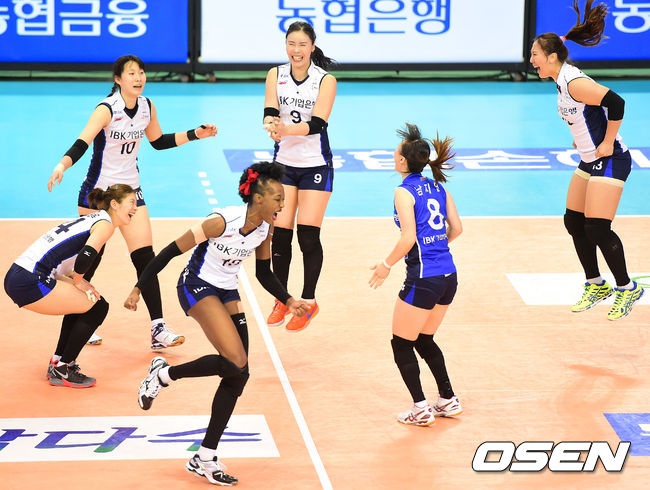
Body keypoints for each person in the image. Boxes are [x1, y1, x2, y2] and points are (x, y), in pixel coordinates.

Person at [123, 162, 308, 485]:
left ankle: (204, 456)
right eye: (278, 198)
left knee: (239, 374)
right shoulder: (221, 222)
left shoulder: (265, 229)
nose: (283, 204)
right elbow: (169, 251)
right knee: (235, 360)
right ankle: (163, 375)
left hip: (226, 290)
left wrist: (289, 300)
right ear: (259, 198)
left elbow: (264, 273)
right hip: (195, 285)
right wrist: (139, 287)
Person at [46, 54, 218, 347]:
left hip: (130, 192)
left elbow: (158, 141)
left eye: (141, 72)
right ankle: (79, 319)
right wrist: (62, 165)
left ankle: (158, 328)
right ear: (118, 79)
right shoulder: (106, 109)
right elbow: (82, 142)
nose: (138, 78)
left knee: (145, 258)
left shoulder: (147, 106)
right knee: (89, 262)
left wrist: (195, 134)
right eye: (131, 73)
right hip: (98, 194)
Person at [530, 0, 644, 320]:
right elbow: (584, 115)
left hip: (611, 158)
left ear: (552, 57)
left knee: (597, 227)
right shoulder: (561, 82)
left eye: (535, 55)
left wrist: (606, 141)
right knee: (573, 221)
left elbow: (616, 103)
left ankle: (627, 287)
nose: (531, 60)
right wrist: (581, 137)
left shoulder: (574, 82)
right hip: (588, 158)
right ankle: (595, 284)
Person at [369, 124, 463, 427]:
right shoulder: (439, 187)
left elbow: (408, 237)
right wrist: (435, 248)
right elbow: (457, 229)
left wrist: (386, 265)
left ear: (402, 161)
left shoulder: (403, 191)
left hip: (423, 278)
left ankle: (420, 409)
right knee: (424, 339)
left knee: (401, 344)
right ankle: (448, 399)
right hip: (448, 276)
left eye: (396, 153)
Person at [4, 185, 137, 388]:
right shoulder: (105, 225)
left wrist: (75, 279)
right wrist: (78, 280)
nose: (135, 208)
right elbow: (85, 257)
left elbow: (63, 258)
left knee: (84, 302)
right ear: (114, 204)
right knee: (98, 307)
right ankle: (63, 368)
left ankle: (59, 362)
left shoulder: (93, 219)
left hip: (19, 273)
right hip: (30, 279)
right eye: (132, 202)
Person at [262, 21, 337, 331]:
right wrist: (271, 126)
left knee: (307, 235)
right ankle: (282, 300)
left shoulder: (326, 80)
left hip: (315, 165)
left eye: (302, 44)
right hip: (284, 164)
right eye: (291, 44)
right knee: (280, 235)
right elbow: (269, 111)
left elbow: (318, 123)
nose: (296, 50)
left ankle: (308, 302)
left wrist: (286, 129)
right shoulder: (275, 74)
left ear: (312, 47)